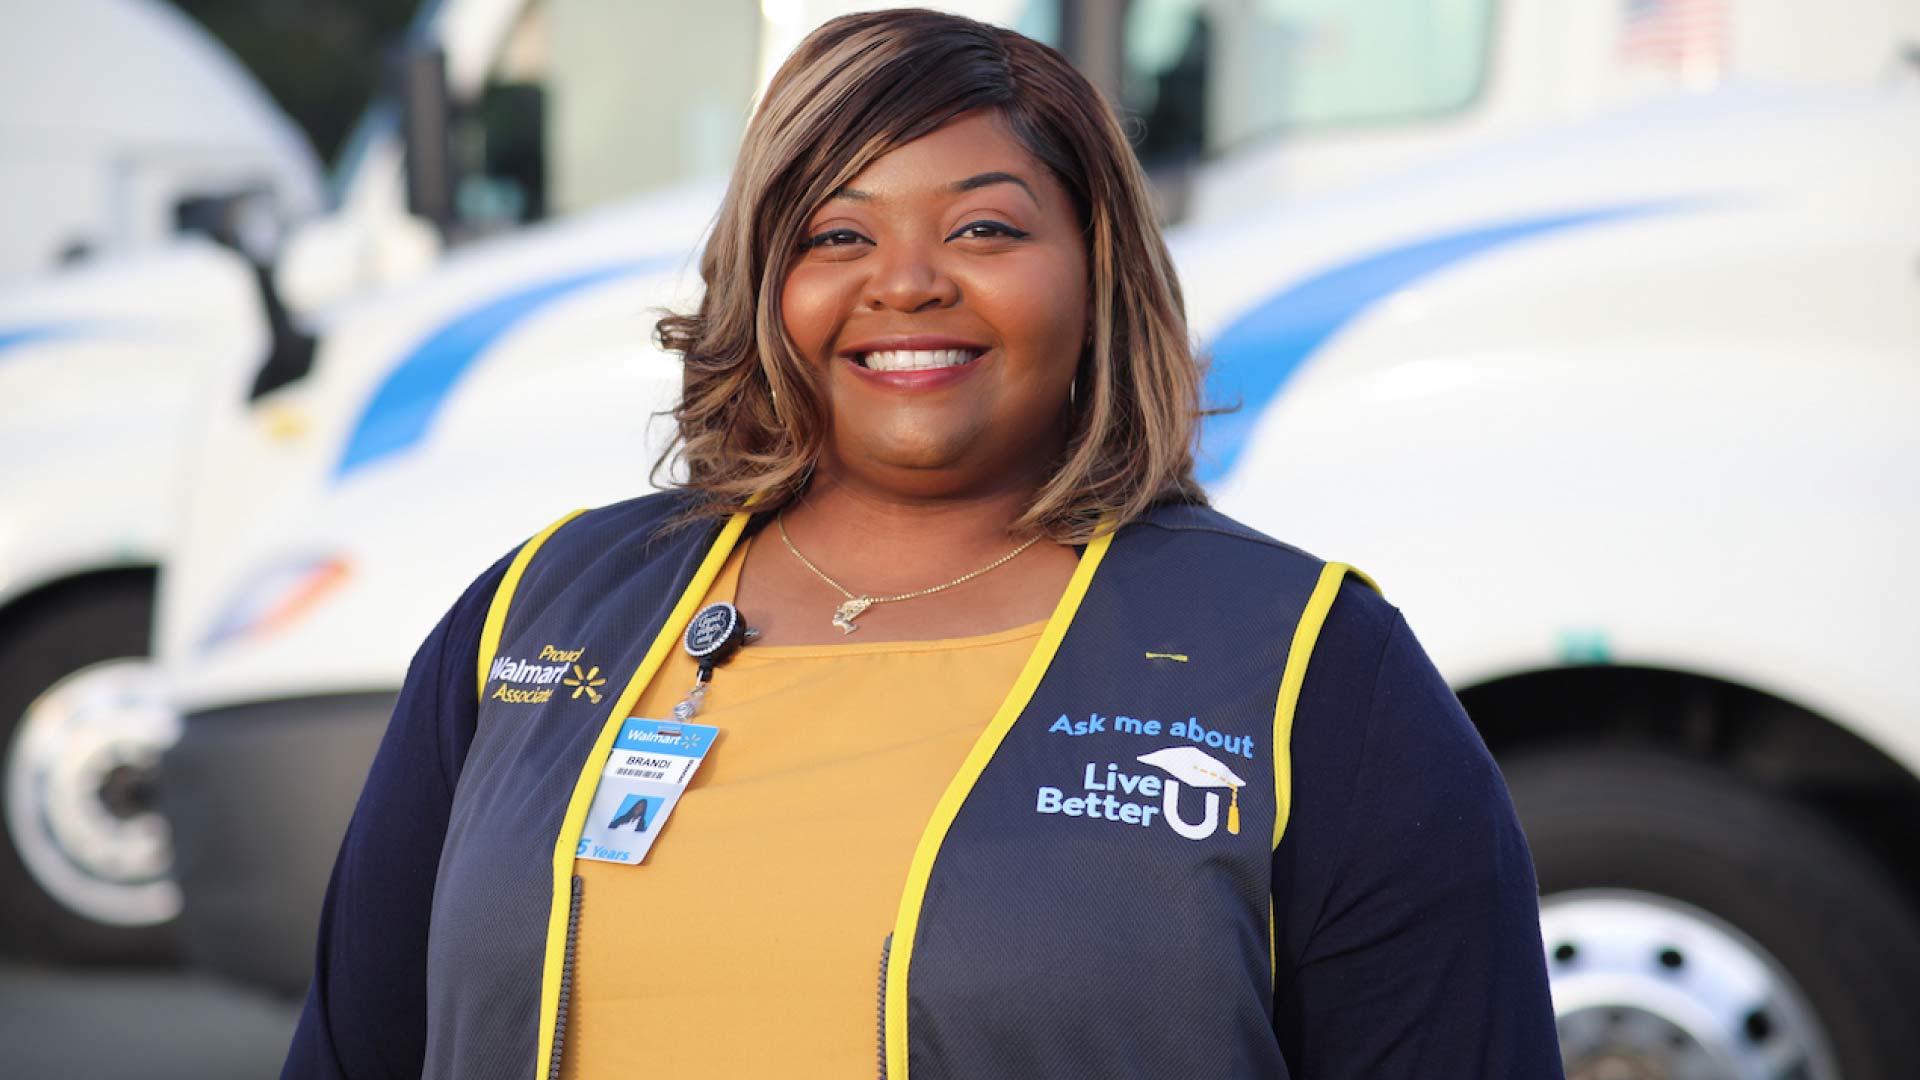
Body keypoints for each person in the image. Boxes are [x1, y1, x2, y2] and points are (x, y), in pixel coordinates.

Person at [283, 9, 1562, 1079]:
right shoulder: (540, 612)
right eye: (837, 235)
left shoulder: (1309, 670)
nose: (906, 283)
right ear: (764, 280)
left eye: (985, 229)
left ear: (1097, 270)